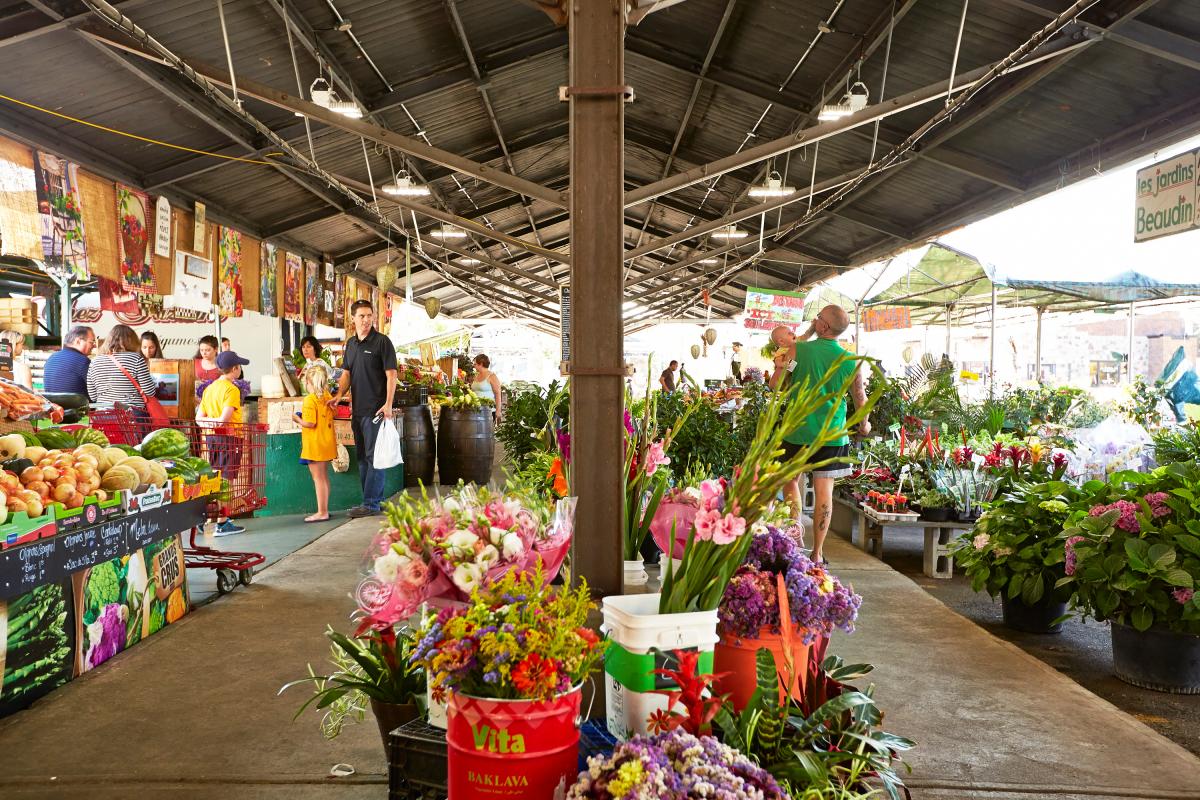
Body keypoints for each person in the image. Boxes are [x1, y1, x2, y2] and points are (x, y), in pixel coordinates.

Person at [770, 305, 869, 564]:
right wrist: (864, 425)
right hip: (832, 434)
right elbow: (860, 398)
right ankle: (818, 552)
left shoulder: (797, 350)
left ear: (823, 326)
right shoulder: (852, 360)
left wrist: (779, 368)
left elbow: (776, 386)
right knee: (824, 491)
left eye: (818, 319)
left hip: (797, 430)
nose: (815, 321)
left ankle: (796, 532)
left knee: (790, 480)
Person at [330, 300, 397, 518]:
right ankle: (373, 501)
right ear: (353, 319)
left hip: (376, 411)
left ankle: (371, 503)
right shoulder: (350, 344)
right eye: (362, 316)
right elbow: (346, 374)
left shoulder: (382, 342)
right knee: (362, 457)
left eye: (369, 315)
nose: (366, 320)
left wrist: (388, 404)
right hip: (357, 411)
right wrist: (339, 395)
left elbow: (391, 375)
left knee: (374, 457)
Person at [197, 350, 251, 536]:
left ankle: (205, 515)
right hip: (230, 438)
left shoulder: (209, 389)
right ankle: (223, 522)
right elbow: (224, 419)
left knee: (216, 478)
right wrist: (217, 422)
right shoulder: (232, 389)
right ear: (235, 369)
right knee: (227, 480)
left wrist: (211, 424)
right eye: (239, 367)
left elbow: (198, 418)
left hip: (212, 438)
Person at [294, 362, 335, 523]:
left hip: (315, 445)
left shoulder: (310, 400)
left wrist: (297, 418)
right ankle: (324, 509)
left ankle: (322, 512)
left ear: (309, 382)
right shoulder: (327, 397)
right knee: (324, 477)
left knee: (318, 478)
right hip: (326, 443)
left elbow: (310, 423)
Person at [87, 325, 157, 412]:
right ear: (132, 341)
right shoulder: (136, 359)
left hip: (103, 416)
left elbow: (93, 396)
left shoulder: (94, 362)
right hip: (131, 417)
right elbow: (150, 392)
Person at [43, 326, 95, 395]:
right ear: (78, 341)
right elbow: (97, 389)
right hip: (77, 405)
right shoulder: (83, 361)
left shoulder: (51, 358)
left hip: (53, 404)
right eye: (91, 342)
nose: (94, 346)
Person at [471, 354, 503, 420]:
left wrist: (498, 411)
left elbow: (498, 394)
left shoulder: (492, 376)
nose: (473, 366)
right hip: (475, 410)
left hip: (488, 411)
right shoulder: (476, 375)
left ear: (481, 364)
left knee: (486, 430)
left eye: (475, 364)